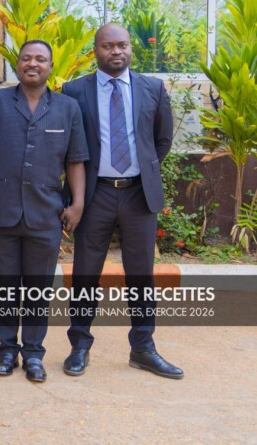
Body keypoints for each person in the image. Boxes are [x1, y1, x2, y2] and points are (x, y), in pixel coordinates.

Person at [63, 23, 182, 379]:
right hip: (94, 194)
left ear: (131, 48)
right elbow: (70, 146)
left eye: (122, 45)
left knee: (141, 273)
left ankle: (143, 348)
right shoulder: (74, 91)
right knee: (85, 273)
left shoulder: (152, 88)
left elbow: (162, 140)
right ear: (95, 50)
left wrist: (141, 170)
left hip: (138, 194)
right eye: (108, 46)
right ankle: (79, 346)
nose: (116, 51)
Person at [0, 40, 88, 384]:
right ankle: (7, 350)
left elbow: (76, 159)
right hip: (1, 211)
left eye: (40, 59)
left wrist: (77, 203)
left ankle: (34, 353)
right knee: (4, 287)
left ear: (50, 66)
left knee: (38, 288)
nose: (32, 64)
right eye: (26, 58)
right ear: (17, 63)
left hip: (46, 213)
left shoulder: (67, 107)